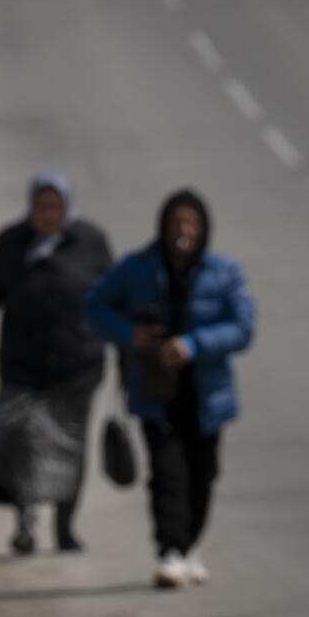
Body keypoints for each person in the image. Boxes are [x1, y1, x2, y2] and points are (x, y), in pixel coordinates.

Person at [85, 189, 255, 589]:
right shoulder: (136, 268)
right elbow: (94, 307)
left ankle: (189, 546)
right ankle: (170, 551)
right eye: (176, 221)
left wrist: (193, 345)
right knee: (167, 476)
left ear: (203, 228)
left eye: (190, 222)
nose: (183, 230)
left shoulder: (225, 273)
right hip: (155, 393)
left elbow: (244, 328)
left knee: (202, 475)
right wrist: (133, 336)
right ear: (163, 226)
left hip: (206, 396)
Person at [0, 171, 112, 554]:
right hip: (22, 369)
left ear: (67, 208)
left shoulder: (90, 242)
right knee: (22, 447)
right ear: (30, 207)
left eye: (55, 207)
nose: (48, 214)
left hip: (77, 370)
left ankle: (65, 528)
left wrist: (132, 346)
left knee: (70, 451)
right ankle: (26, 524)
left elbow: (115, 300)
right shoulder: (11, 243)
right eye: (41, 206)